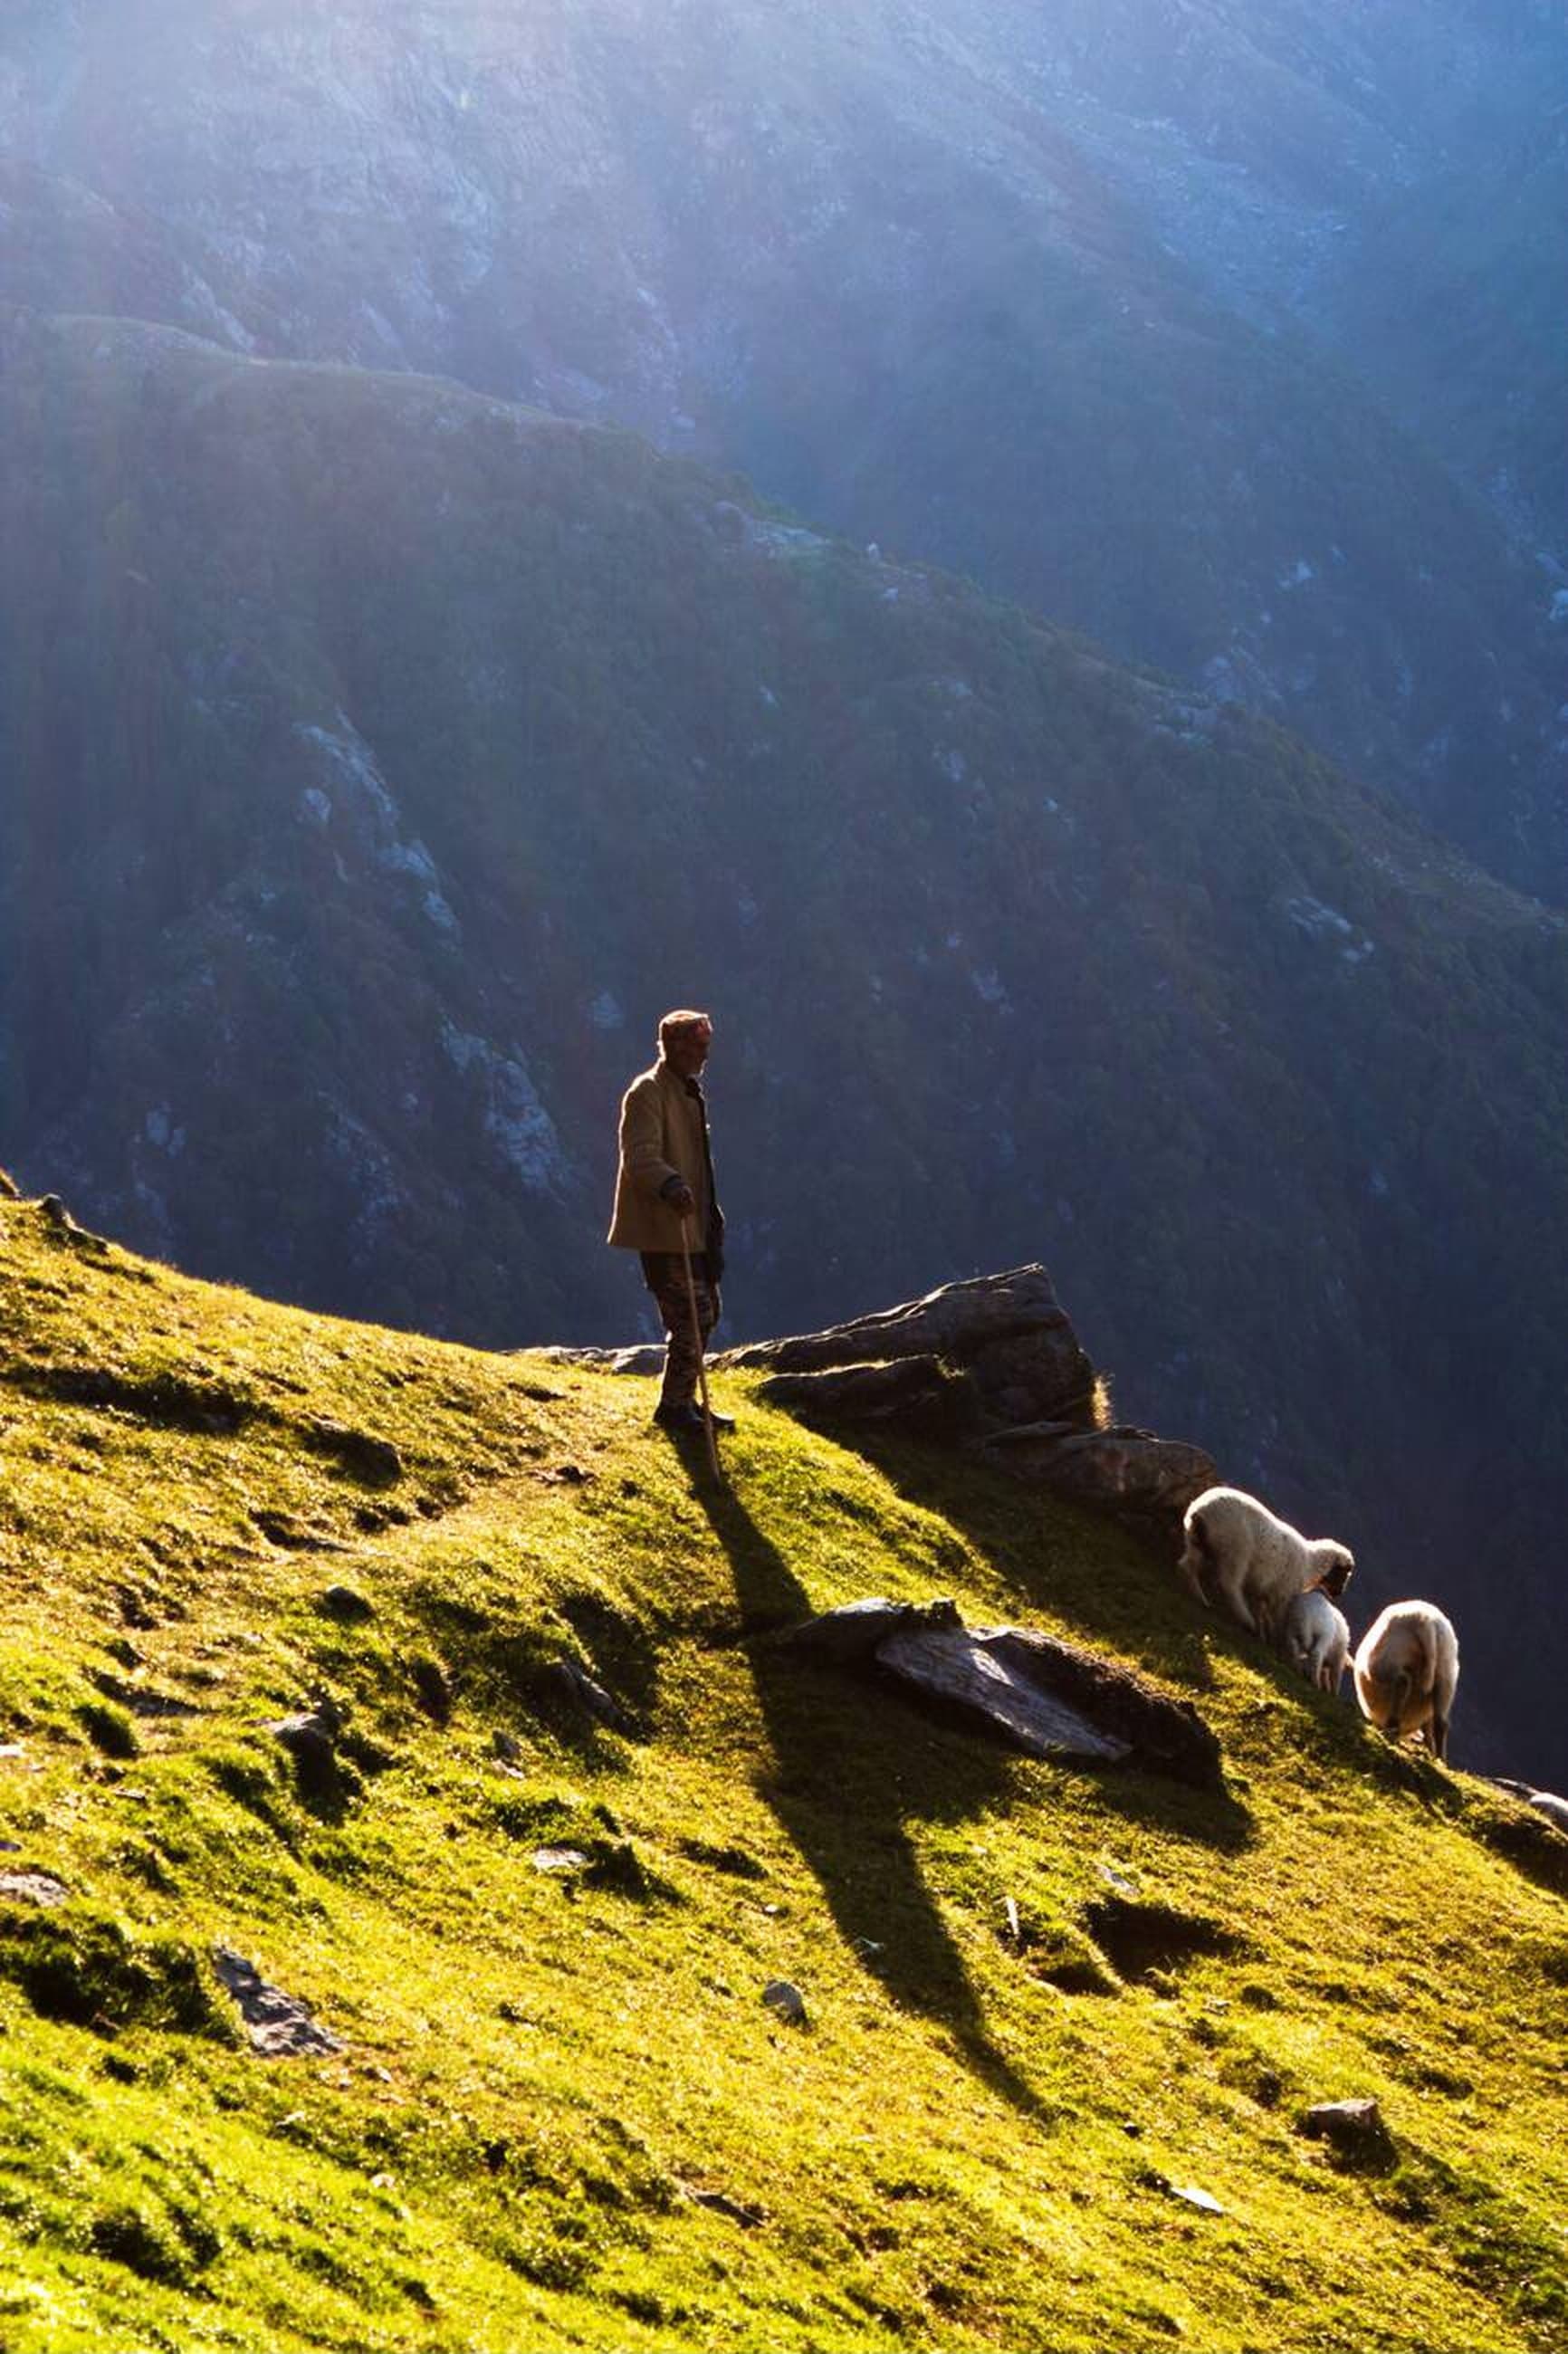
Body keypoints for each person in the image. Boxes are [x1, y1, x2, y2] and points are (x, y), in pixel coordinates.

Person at [607, 1009, 733, 1432]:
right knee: (691, 1316)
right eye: (699, 1047)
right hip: (667, 1230)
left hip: (695, 1226)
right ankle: (675, 1408)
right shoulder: (647, 1093)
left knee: (707, 1312)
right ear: (676, 1047)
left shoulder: (686, 1092)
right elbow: (640, 1155)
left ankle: (684, 1402)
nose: (705, 1055)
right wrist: (671, 1184)